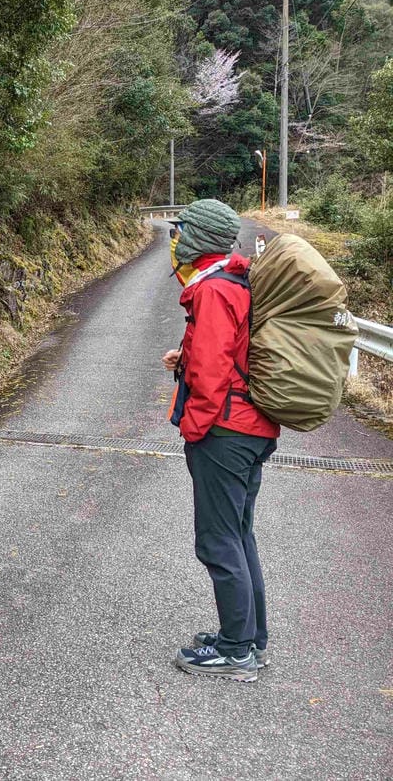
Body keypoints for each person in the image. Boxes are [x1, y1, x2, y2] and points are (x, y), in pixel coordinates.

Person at [162, 199, 279, 683]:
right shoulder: (236, 280)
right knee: (239, 534)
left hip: (225, 432)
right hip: (252, 426)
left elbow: (212, 375)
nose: (175, 240)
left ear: (199, 237)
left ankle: (234, 653)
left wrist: (194, 430)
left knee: (218, 540)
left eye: (181, 231)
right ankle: (250, 639)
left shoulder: (212, 289)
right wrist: (184, 359)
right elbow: (228, 353)